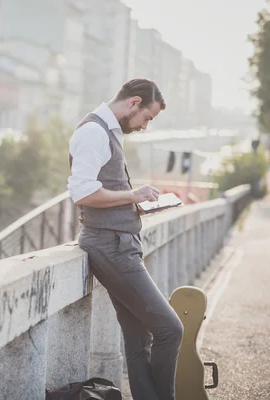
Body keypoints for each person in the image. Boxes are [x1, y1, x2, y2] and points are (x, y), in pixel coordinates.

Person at [67, 78, 183, 400]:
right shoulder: (93, 132)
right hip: (110, 247)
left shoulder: (107, 130)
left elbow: (103, 189)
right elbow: (82, 192)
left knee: (138, 340)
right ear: (134, 103)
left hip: (117, 242)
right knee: (170, 329)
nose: (145, 127)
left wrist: (135, 206)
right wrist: (132, 195)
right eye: (147, 118)